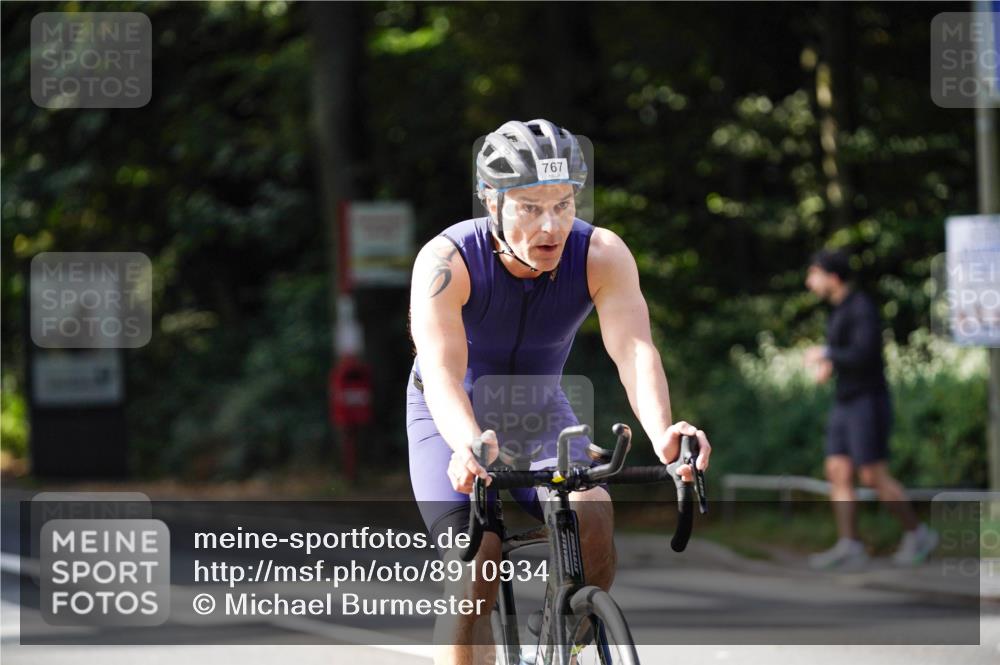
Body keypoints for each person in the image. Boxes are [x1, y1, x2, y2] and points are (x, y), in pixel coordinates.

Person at [406, 118, 712, 665]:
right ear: (491, 202)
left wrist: (664, 432)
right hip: (450, 414)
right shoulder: (447, 262)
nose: (551, 226)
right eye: (529, 207)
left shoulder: (602, 254)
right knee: (477, 565)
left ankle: (565, 645)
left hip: (538, 411)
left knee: (592, 509)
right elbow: (444, 371)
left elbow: (635, 349)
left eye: (564, 204)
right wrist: (468, 445)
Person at [804, 249, 938, 569]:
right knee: (837, 470)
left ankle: (918, 533)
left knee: (872, 475)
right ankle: (850, 545)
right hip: (844, 400)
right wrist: (829, 364)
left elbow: (864, 353)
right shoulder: (836, 311)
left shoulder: (861, 307)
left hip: (868, 401)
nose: (809, 282)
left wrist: (827, 354)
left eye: (814, 274)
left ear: (832, 277)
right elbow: (843, 355)